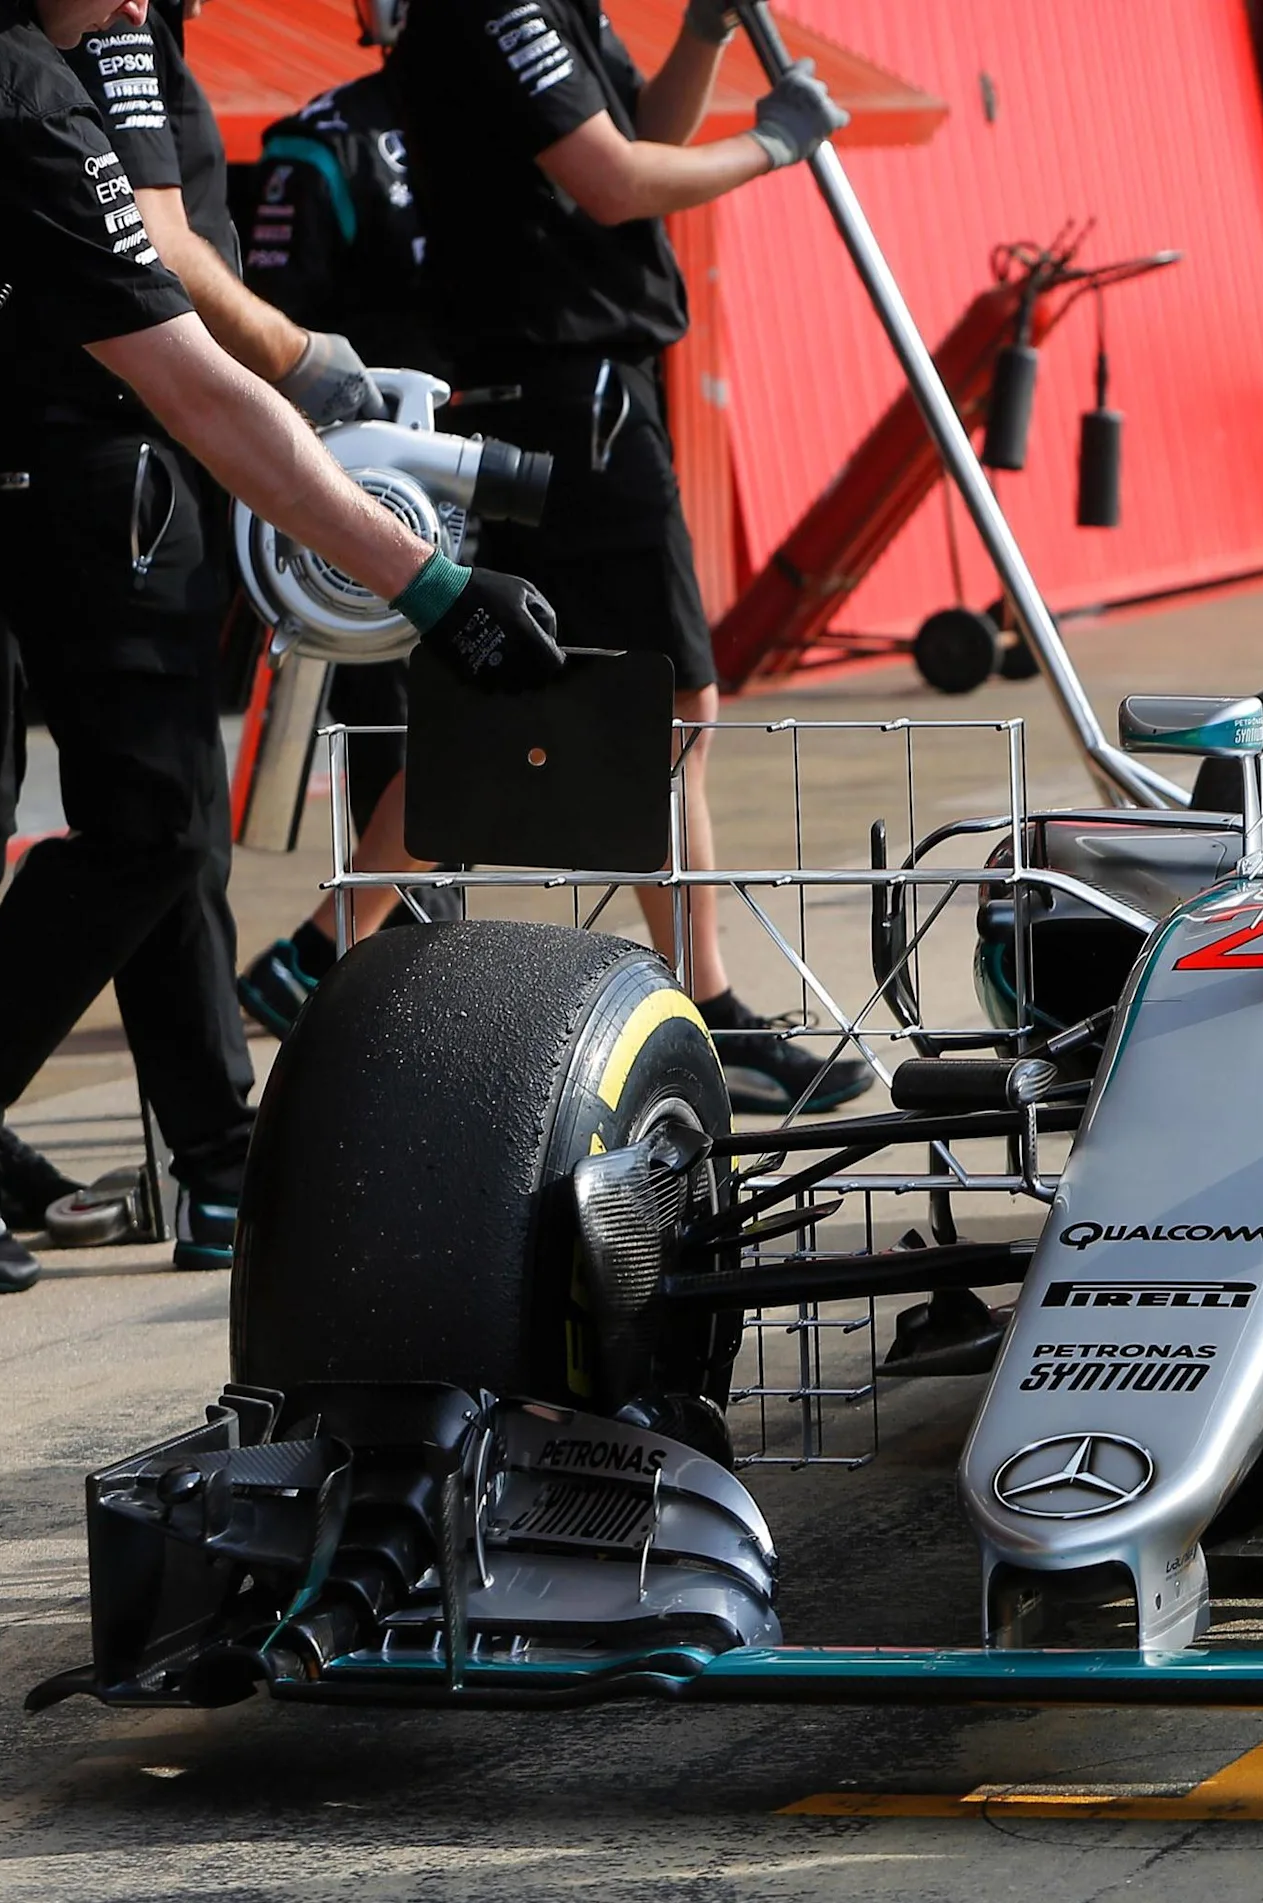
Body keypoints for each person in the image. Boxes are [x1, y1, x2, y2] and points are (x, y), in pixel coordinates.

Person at [0, 0, 567, 1296]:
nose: (140, 5)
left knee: (129, 824)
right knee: (134, 823)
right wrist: (430, 581)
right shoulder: (29, 93)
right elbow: (192, 371)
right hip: (68, 463)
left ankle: (200, 1155)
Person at [388, 0, 870, 1116]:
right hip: (574, 395)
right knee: (666, 706)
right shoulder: (503, 9)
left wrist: (703, 34)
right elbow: (613, 180)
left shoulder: (553, 10)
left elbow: (639, 131)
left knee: (522, 694)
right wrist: (773, 145)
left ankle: (333, 940)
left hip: (575, 389)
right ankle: (709, 1009)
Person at [226, 0, 467, 1039]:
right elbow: (272, 337)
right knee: (413, 735)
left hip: (496, 470)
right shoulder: (322, 144)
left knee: (478, 729)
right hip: (377, 493)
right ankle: (353, 966)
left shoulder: (515, 122)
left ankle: (380, 968)